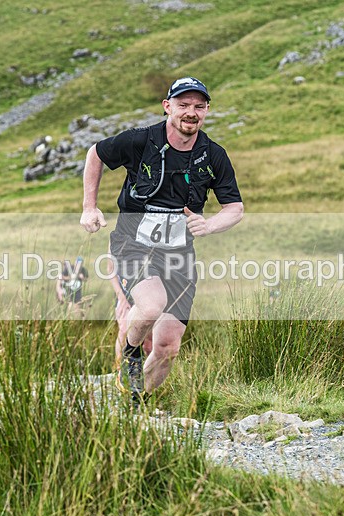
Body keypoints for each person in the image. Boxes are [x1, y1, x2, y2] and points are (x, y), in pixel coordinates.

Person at [80, 76, 244, 404]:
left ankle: (132, 402)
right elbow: (95, 154)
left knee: (168, 345)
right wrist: (89, 207)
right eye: (183, 105)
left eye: (199, 107)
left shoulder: (213, 155)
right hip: (133, 243)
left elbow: (235, 208)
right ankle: (129, 353)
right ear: (168, 107)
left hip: (179, 253)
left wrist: (209, 226)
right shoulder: (141, 141)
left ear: (207, 110)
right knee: (151, 306)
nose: (191, 113)